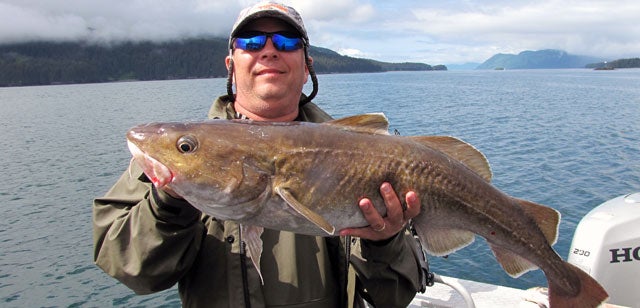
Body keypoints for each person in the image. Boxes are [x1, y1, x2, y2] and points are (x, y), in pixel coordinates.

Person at [93, 2, 425, 307]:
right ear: (231, 65)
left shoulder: (365, 157)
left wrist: (385, 243)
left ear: (307, 65)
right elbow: (129, 268)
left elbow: (394, 296)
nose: (269, 50)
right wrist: (167, 205)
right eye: (251, 42)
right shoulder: (175, 156)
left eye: (286, 41)